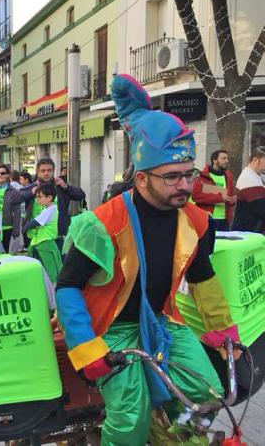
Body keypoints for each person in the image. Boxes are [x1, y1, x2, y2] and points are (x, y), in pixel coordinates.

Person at [55, 74, 239, 445]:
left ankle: (168, 435)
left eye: (188, 174)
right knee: (128, 420)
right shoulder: (103, 224)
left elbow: (203, 276)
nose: (185, 186)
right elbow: (67, 286)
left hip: (160, 320)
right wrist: (88, 347)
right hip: (109, 328)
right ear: (141, 179)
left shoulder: (195, 220)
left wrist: (224, 332)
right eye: (172, 177)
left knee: (209, 394)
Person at [21, 158, 85, 252]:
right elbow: (17, 197)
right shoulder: (32, 187)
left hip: (56, 235)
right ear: (38, 172)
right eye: (43, 171)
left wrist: (66, 187)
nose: (46, 173)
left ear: (53, 171)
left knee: (58, 264)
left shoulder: (60, 187)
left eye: (49, 170)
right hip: (35, 235)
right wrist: (31, 193)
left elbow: (81, 195)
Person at [22, 183, 62, 284]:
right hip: (44, 242)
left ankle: (53, 290)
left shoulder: (50, 210)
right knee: (53, 266)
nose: (37, 199)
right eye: (37, 197)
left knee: (51, 269)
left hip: (44, 242)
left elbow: (36, 222)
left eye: (40, 197)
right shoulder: (49, 208)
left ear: (49, 197)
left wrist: (25, 228)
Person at [0, 164, 25, 253]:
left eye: (3, 173)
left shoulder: (14, 191)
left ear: (7, 175)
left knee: (4, 255)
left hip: (6, 228)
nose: (0, 175)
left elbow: (17, 213)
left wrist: (16, 231)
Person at [192, 149, 235, 231]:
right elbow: (196, 196)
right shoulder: (203, 176)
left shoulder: (228, 176)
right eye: (223, 158)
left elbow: (229, 196)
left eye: (227, 158)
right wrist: (220, 198)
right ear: (215, 160)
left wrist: (232, 200)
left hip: (224, 220)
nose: (227, 161)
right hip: (208, 218)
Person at [233, 147, 265, 233]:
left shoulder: (258, 176)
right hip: (247, 231)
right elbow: (261, 209)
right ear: (255, 160)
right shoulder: (248, 178)